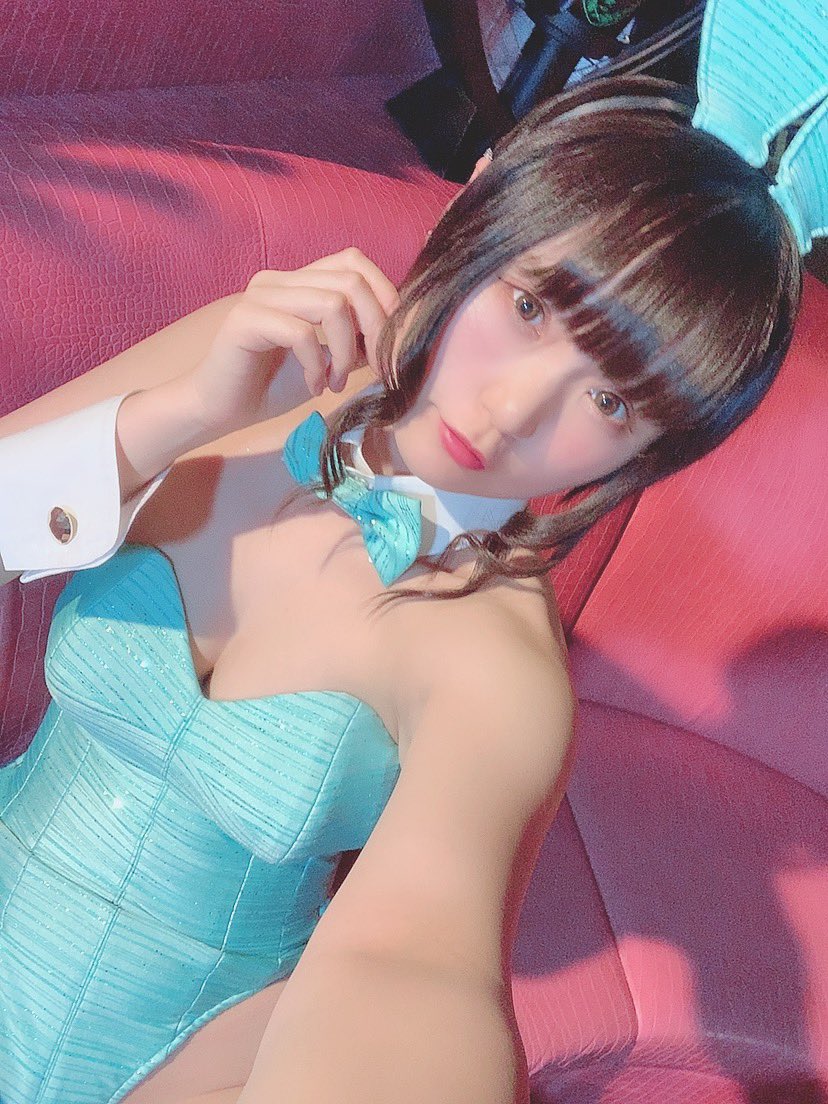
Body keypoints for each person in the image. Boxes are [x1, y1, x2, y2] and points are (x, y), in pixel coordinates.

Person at [0, 3, 823, 1094]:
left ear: (657, 450)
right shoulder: (252, 362)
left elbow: (421, 965)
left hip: (174, 1067)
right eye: (529, 306)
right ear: (479, 202)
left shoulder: (500, 671)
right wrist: (182, 415)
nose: (514, 410)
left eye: (612, 401)